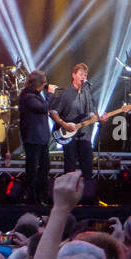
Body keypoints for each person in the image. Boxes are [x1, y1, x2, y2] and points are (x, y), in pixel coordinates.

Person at [48, 63, 108, 193]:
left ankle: (86, 195)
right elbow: (53, 112)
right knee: (70, 165)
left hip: (84, 135)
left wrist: (99, 117)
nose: (83, 77)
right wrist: (64, 124)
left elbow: (91, 113)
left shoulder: (86, 93)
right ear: (73, 75)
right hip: (69, 136)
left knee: (87, 164)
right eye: (81, 74)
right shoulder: (65, 93)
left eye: (85, 75)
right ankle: (67, 194)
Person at [18, 71, 56, 204]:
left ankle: (41, 196)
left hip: (41, 138)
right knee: (32, 169)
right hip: (32, 138)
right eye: (44, 82)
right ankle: (30, 196)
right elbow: (43, 107)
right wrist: (50, 94)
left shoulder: (36, 94)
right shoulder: (27, 96)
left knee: (45, 167)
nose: (45, 84)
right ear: (38, 83)